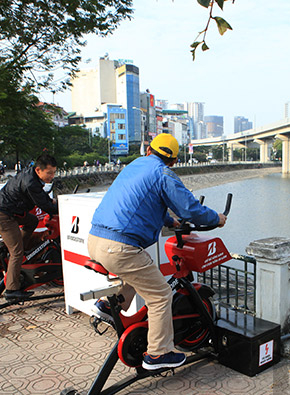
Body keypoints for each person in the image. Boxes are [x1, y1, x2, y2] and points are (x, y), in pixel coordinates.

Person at [87, 133, 226, 370]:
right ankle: (158, 354)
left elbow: (143, 200)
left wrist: (169, 222)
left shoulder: (134, 166)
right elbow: (190, 209)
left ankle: (111, 305)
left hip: (96, 240)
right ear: (172, 161)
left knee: (143, 266)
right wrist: (217, 218)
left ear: (148, 151)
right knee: (160, 295)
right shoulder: (164, 174)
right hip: (120, 247)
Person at [0, 154, 58, 301]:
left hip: (13, 210)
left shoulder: (32, 175)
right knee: (16, 252)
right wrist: (63, 208)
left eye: (54, 173)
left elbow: (42, 197)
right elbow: (44, 205)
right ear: (39, 170)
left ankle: (22, 246)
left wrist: (54, 202)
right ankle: (12, 290)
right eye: (49, 173)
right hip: (3, 213)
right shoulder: (30, 183)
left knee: (31, 221)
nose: (52, 176)